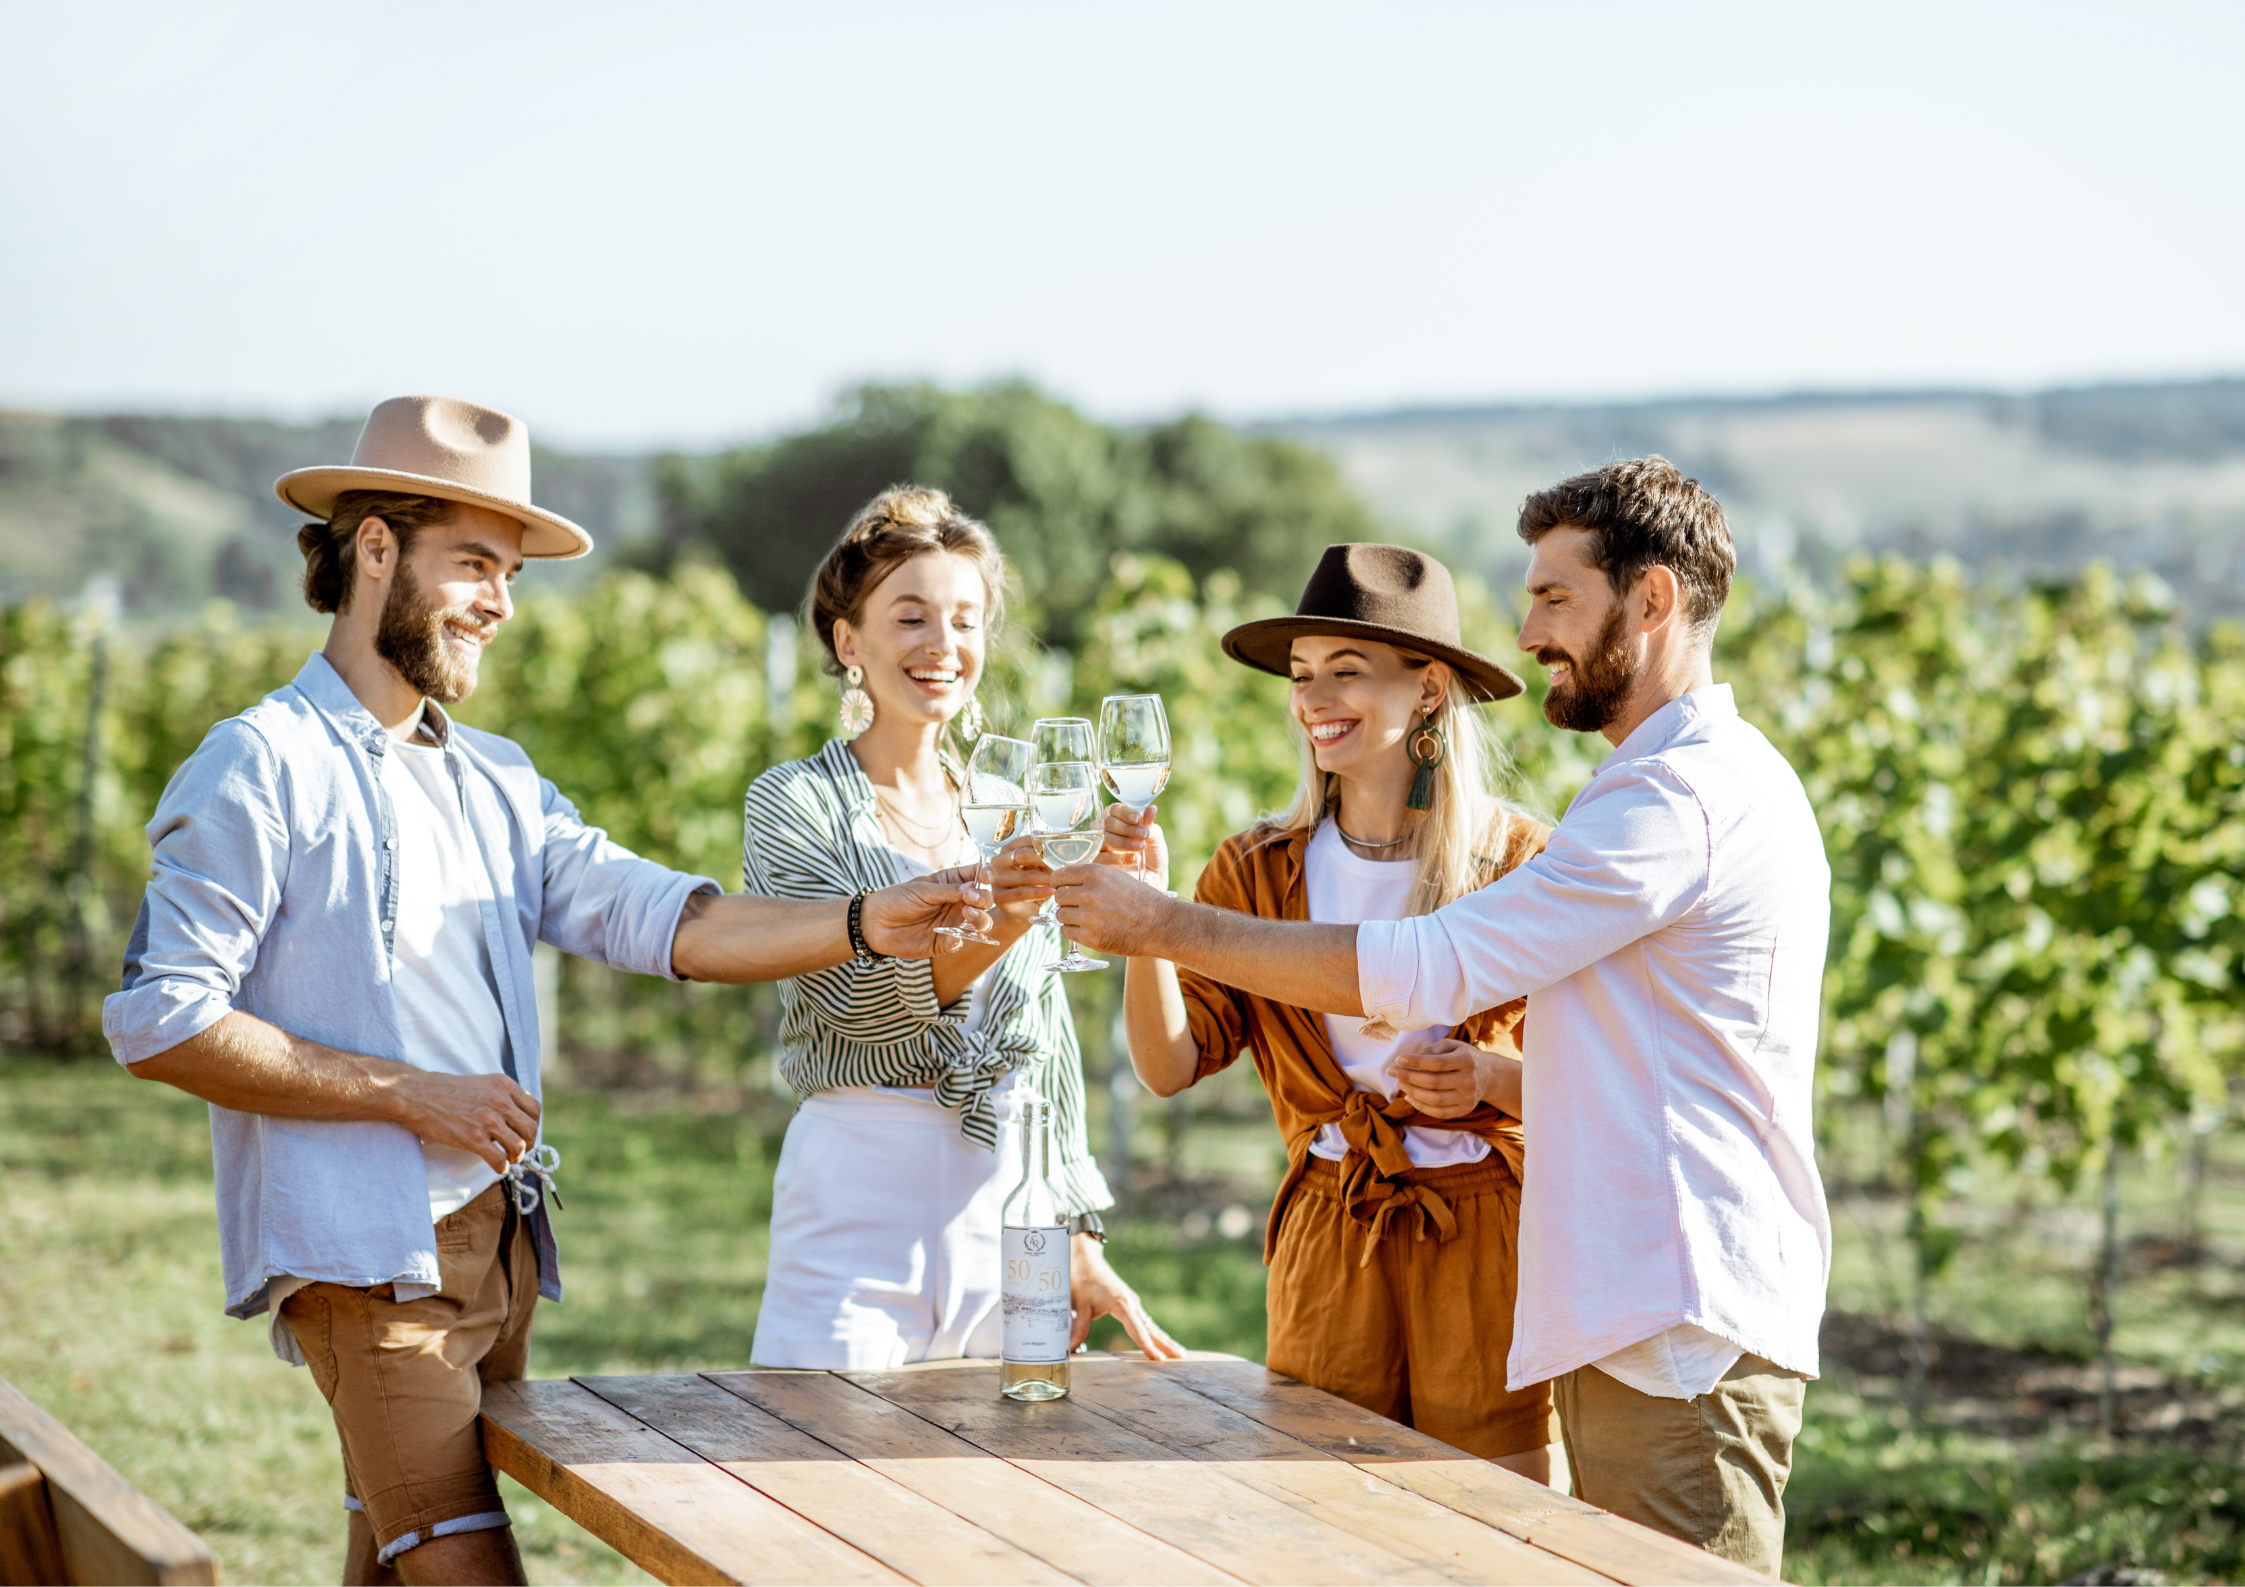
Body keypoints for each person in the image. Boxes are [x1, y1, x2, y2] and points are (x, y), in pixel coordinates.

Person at [102, 396, 990, 1587]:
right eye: (475, 564)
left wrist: (861, 923)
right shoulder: (262, 763)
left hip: (498, 1247)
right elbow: (161, 1021)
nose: (502, 604)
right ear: (375, 548)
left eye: (511, 574)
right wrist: (414, 1096)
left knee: (395, 1555)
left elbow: (660, 915)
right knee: (463, 1563)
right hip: (372, 1266)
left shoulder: (495, 780)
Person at [1053, 457, 1830, 1575]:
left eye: (1555, 599)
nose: (1529, 632)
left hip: (1670, 1305)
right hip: (1622, 1294)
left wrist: (1159, 925)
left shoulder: (1668, 799)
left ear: (1650, 600)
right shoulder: (1659, 784)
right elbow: (1612, 1054)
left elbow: (1434, 964)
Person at [1093, 543, 1564, 1481]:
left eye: (1345, 673)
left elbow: (1596, 1078)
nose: (1312, 699)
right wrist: (1147, 922)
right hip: (1331, 1226)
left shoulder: (1520, 862)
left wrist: (1490, 1079)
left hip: (1482, 1234)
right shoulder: (1256, 868)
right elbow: (1167, 1066)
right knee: (1323, 1520)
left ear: (1427, 690)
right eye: (1302, 676)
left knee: (1498, 1525)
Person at [741, 485, 1180, 1371]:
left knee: (1003, 1488)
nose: (944, 646)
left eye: (966, 621)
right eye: (911, 618)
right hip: (858, 1194)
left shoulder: (1017, 812)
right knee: (820, 1477)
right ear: (847, 641)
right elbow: (854, 999)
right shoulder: (792, 803)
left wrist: (1077, 1228)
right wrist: (1008, 919)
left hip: (1008, 1208)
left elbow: (1045, 1041)